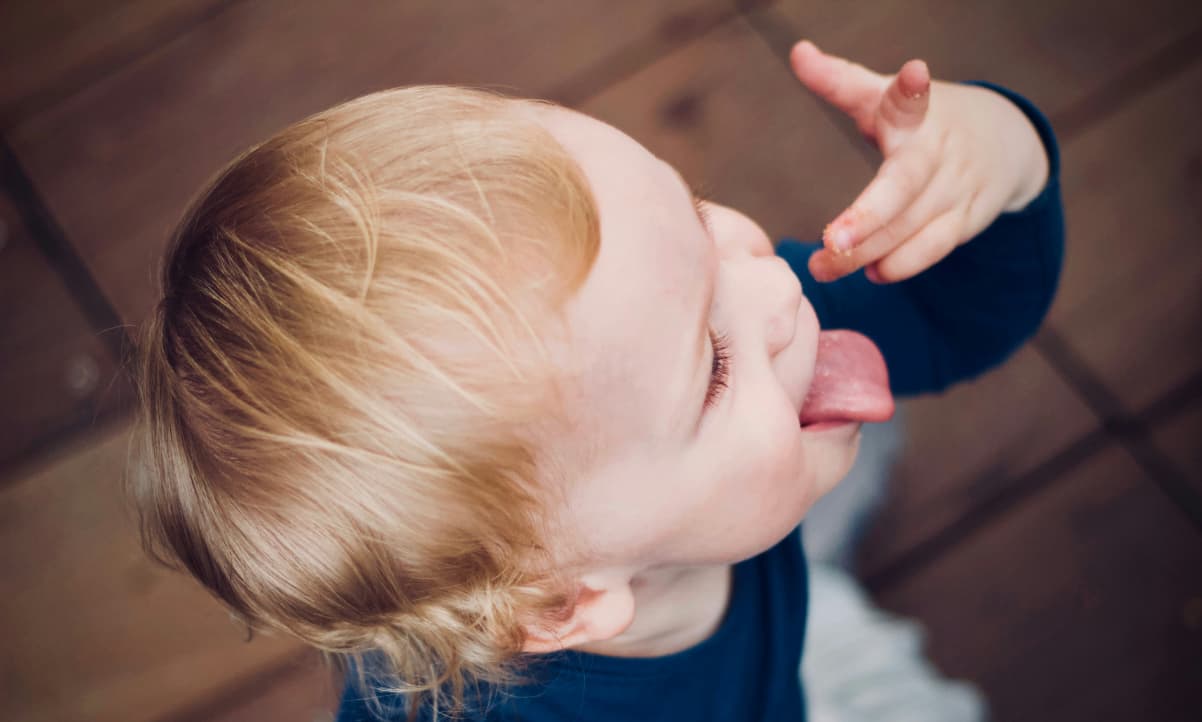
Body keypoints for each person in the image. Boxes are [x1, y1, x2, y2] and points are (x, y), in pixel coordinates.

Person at [129, 38, 1062, 722]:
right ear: (562, 603)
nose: (778, 284)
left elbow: (950, 321)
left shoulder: (654, 382)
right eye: (717, 364)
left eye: (699, 218)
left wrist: (1004, 160)